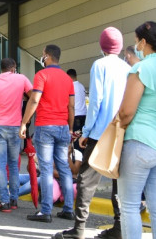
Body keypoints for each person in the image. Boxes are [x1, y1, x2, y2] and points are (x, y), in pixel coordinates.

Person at [53, 26, 129, 239]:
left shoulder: (100, 65)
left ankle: (78, 229)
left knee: (87, 178)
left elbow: (96, 101)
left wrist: (86, 131)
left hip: (99, 131)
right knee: (118, 180)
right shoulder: (127, 67)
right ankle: (119, 228)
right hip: (120, 130)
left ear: (102, 46)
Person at [117, 22, 156, 239]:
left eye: (136, 41)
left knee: (130, 205)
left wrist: (116, 129)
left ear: (143, 42)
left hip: (141, 144)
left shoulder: (141, 68)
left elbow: (126, 112)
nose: (136, 46)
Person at [20, 44, 75, 223]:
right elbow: (71, 106)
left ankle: (45, 211)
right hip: (63, 127)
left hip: (45, 126)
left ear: (47, 56)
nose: (42, 57)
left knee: (45, 169)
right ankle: (68, 209)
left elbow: (35, 99)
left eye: (43, 55)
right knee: (64, 168)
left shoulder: (41, 75)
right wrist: (70, 127)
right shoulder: (67, 79)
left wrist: (24, 122)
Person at [0, 56, 33, 212]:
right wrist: (25, 120)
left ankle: (4, 202)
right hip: (16, 127)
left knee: (1, 165)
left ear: (1, 69)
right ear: (13, 68)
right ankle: (14, 199)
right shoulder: (21, 79)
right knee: (13, 164)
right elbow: (33, 97)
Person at [66, 69, 86, 145]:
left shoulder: (70, 87)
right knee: (81, 136)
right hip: (84, 115)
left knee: (75, 139)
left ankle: (76, 155)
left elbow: (69, 104)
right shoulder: (82, 86)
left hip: (75, 115)